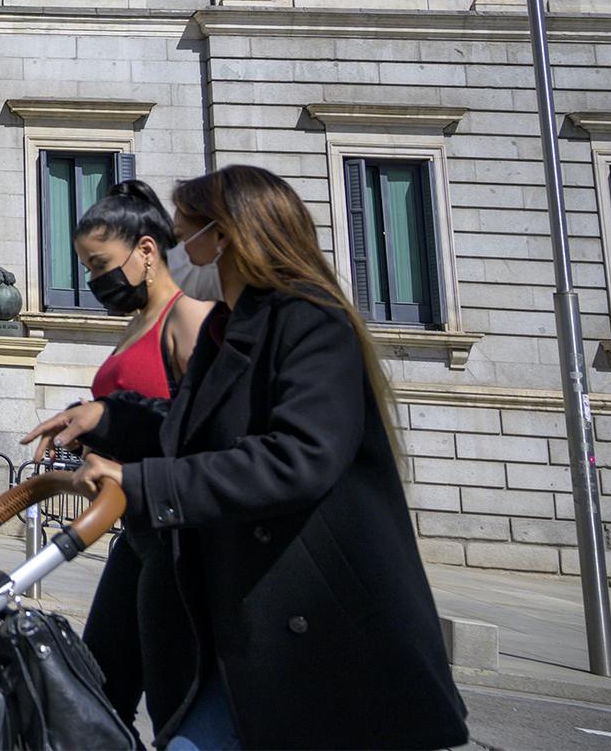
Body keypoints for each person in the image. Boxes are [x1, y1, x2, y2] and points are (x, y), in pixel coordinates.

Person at [25, 166, 468, 751]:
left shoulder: (311, 321)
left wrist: (145, 483)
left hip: (309, 621)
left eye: (186, 235)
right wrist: (106, 418)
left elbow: (297, 457)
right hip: (234, 614)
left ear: (225, 236)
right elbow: (191, 434)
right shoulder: (230, 330)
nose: (180, 252)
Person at [42, 179, 213, 728]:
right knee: (97, 690)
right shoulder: (136, 324)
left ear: (146, 250)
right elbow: (134, 415)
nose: (94, 280)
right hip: (135, 529)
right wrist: (84, 419)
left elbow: (201, 434)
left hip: (177, 539)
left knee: (172, 702)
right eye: (89, 269)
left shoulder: (188, 319)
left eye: (99, 265)